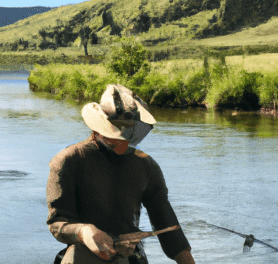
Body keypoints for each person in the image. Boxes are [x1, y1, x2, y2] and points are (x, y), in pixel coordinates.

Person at [46, 84, 196, 264]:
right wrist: (83, 231)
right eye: (115, 134)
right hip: (82, 257)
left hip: (130, 257)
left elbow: (167, 224)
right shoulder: (69, 160)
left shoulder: (145, 164)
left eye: (127, 135)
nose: (122, 141)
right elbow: (57, 224)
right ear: (98, 127)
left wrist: (187, 260)